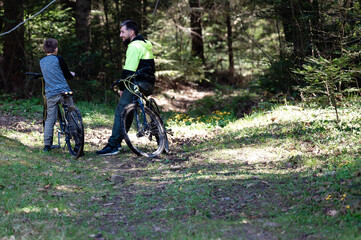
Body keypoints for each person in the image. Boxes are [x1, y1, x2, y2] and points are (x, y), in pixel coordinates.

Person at [96, 20, 156, 155]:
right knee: (129, 109)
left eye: (122, 32)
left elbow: (128, 71)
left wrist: (122, 87)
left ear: (131, 32)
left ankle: (113, 145)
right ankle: (160, 137)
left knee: (121, 110)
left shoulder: (134, 46)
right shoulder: (145, 44)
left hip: (138, 83)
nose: (120, 35)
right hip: (149, 84)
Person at [39, 38, 75, 152]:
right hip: (64, 92)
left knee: (50, 119)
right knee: (72, 114)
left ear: (44, 49)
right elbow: (67, 74)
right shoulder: (59, 59)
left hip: (51, 94)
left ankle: (47, 145)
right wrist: (72, 74)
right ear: (56, 49)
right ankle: (78, 142)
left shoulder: (41, 62)